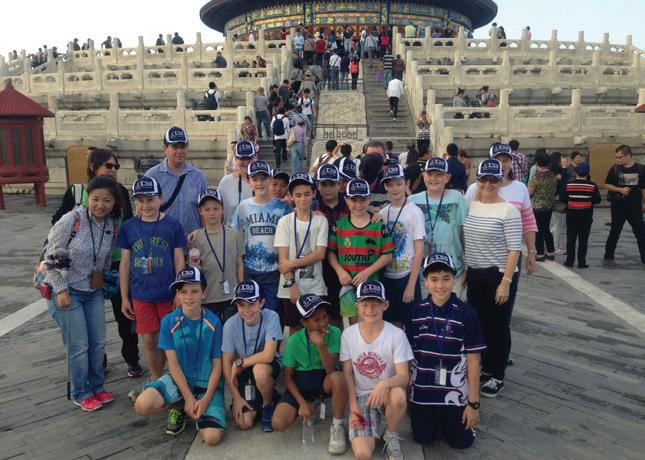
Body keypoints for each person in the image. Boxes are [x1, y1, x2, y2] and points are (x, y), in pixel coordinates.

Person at [50, 148, 140, 377]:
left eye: (116, 166)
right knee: (85, 333)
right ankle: (97, 366)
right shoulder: (77, 193)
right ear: (93, 167)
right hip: (78, 273)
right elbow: (56, 227)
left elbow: (128, 224)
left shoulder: (120, 192)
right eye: (108, 165)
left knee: (123, 316)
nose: (113, 170)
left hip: (112, 263)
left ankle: (131, 358)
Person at [45, 176, 122, 411]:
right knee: (79, 345)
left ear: (114, 202)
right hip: (68, 291)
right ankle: (80, 391)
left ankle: (97, 385)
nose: (101, 205)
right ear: (88, 197)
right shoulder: (71, 220)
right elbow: (52, 257)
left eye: (107, 200)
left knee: (97, 343)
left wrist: (105, 279)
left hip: (93, 290)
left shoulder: (111, 224)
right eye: (96, 199)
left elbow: (106, 258)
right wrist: (60, 289)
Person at [134, 267, 226, 444]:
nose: (189, 297)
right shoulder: (169, 322)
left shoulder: (214, 322)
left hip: (206, 384)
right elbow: (173, 365)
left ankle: (199, 406)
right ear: (177, 294)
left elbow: (217, 365)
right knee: (142, 405)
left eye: (195, 291)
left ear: (204, 293)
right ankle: (180, 404)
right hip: (180, 380)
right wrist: (188, 397)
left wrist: (206, 399)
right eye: (183, 292)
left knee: (212, 438)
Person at [407, 253, 485, 449]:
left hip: (454, 392)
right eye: (434, 279)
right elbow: (409, 358)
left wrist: (474, 404)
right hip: (423, 392)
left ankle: (450, 421)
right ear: (425, 281)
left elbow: (474, 360)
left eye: (446, 279)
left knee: (462, 443)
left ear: (454, 279)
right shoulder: (416, 312)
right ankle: (437, 421)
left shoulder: (467, 314)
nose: (440, 285)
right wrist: (408, 394)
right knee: (423, 438)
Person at [117, 177, 186, 387]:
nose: (145, 205)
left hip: (167, 292)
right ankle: (156, 379)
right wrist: (124, 296)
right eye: (140, 200)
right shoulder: (128, 226)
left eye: (150, 199)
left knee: (169, 339)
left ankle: (171, 376)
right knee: (148, 339)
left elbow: (179, 258)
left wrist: (180, 291)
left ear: (160, 198)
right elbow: (125, 263)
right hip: (141, 293)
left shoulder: (172, 225)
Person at [463, 159, 522, 398]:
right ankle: (486, 367)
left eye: (493, 180)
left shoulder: (508, 210)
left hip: (497, 274)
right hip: (475, 273)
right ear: (476, 180)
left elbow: (514, 249)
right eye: (483, 179)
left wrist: (505, 283)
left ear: (500, 181)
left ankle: (498, 374)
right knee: (480, 324)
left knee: (498, 326)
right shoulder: (471, 205)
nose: (488, 184)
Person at [341, 280, 413, 460]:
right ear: (357, 306)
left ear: (385, 305)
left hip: (387, 392)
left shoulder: (396, 334)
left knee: (398, 395)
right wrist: (353, 406)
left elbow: (404, 376)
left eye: (375, 304)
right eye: (365, 304)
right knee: (362, 454)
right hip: (363, 395)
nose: (370, 310)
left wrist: (384, 384)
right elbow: (348, 373)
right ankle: (370, 427)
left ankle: (391, 433)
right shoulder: (348, 334)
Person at [271, 294, 347, 453]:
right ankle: (306, 405)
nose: (323, 322)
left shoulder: (334, 332)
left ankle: (337, 425)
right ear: (304, 323)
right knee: (278, 423)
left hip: (324, 380)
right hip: (301, 383)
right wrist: (302, 403)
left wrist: (320, 345)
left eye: (325, 316)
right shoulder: (294, 340)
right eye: (316, 320)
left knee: (339, 378)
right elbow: (287, 377)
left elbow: (330, 370)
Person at [327, 179, 393, 324]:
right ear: (346, 200)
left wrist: (367, 272)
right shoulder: (339, 225)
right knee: (354, 324)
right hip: (348, 284)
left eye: (362, 200)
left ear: (369, 199)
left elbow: (388, 255)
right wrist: (339, 271)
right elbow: (330, 252)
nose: (358, 205)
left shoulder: (379, 225)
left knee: (370, 322)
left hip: (371, 285)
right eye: (354, 200)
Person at [231, 160, 292, 318]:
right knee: (252, 315)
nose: (259, 183)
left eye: (263, 178)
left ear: (270, 179)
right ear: (248, 181)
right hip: (250, 270)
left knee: (273, 315)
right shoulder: (243, 207)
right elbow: (231, 232)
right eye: (255, 179)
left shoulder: (283, 207)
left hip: (274, 271)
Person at [222, 280, 284, 432]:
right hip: (244, 372)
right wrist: (237, 397)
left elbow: (268, 356)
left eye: (251, 304)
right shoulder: (230, 324)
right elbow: (226, 363)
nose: (246, 310)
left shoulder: (272, 317)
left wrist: (240, 362)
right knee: (245, 423)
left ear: (261, 302)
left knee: (260, 371)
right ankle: (266, 396)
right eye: (241, 305)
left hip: (267, 366)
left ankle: (267, 404)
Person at [275, 173, 329, 329]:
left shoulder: (320, 220)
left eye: (307, 194)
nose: (303, 199)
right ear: (291, 197)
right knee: (295, 329)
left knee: (317, 328)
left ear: (314, 194)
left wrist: (292, 263)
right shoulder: (284, 222)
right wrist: (292, 287)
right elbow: (283, 261)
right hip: (290, 287)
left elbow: (320, 254)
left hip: (314, 286)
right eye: (298, 195)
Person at [410, 157, 469, 294]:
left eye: (439, 175)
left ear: (447, 177)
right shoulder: (412, 201)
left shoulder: (457, 198)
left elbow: (464, 233)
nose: (433, 178)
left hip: (453, 272)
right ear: (424, 176)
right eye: (430, 174)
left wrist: (468, 266)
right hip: (422, 275)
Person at [379, 164, 426, 326]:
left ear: (407, 184)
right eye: (390, 185)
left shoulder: (415, 212)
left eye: (399, 184)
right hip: (387, 277)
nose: (395, 189)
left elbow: (419, 251)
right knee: (392, 326)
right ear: (386, 186)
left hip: (407, 275)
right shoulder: (383, 213)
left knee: (412, 326)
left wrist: (411, 285)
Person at [192, 190, 245, 322]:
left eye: (215, 208)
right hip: (208, 295)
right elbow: (195, 267)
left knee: (230, 328)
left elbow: (239, 264)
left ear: (222, 209)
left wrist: (241, 287)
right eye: (207, 209)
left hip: (231, 294)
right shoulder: (197, 238)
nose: (212, 213)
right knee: (211, 329)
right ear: (200, 211)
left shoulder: (234, 235)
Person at [145, 127, 207, 237]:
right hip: (162, 241)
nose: (179, 151)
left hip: (192, 242)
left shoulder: (198, 176)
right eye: (175, 147)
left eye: (183, 147)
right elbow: (143, 210)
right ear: (165, 148)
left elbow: (204, 211)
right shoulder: (152, 176)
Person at [603, 144, 645, 266]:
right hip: (618, 205)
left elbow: (643, 188)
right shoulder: (615, 169)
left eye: (620, 157)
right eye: (616, 157)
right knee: (615, 232)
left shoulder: (641, 169)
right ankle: (608, 256)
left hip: (635, 206)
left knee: (640, 232)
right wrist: (619, 190)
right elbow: (607, 185)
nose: (617, 160)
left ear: (628, 155)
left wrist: (644, 202)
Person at [561, 162, 602, 268]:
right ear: (588, 173)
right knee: (583, 239)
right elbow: (597, 200)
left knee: (571, 238)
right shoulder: (592, 185)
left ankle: (570, 261)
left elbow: (562, 198)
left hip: (571, 214)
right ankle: (581, 262)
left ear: (576, 172)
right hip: (586, 215)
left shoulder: (569, 184)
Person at [217, 140, 255, 225]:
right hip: (231, 232)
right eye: (242, 159)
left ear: (254, 158)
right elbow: (217, 211)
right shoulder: (225, 182)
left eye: (249, 158)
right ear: (236, 159)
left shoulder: (264, 183)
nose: (246, 162)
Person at [528, 154, 557, 261]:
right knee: (546, 229)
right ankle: (551, 252)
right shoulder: (552, 176)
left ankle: (540, 254)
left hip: (537, 207)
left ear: (536, 163)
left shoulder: (536, 178)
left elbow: (529, 193)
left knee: (538, 231)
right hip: (549, 206)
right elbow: (554, 190)